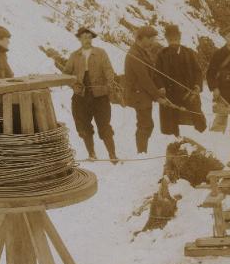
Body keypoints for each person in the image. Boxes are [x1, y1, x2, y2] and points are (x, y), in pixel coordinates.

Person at [62, 26, 117, 162]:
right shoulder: (74, 56)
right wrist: (74, 85)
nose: (87, 40)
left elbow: (108, 70)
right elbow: (66, 74)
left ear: (92, 39)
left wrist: (109, 84)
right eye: (84, 37)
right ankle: (91, 154)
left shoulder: (101, 53)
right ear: (79, 39)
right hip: (81, 97)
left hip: (100, 96)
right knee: (83, 125)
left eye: (89, 37)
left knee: (104, 125)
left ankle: (112, 155)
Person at [154, 24, 206, 136]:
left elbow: (198, 71)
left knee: (199, 121)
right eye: (171, 39)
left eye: (175, 38)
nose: (173, 42)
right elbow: (156, 74)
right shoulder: (161, 54)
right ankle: (174, 142)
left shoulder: (188, 53)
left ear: (180, 37)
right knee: (170, 127)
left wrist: (197, 86)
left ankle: (201, 138)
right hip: (169, 96)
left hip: (189, 93)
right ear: (167, 39)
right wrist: (161, 87)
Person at [125, 25, 168, 154]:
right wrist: (157, 97)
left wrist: (159, 88)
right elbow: (144, 79)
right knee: (145, 125)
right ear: (142, 38)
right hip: (139, 95)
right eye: (150, 39)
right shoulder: (134, 55)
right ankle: (141, 154)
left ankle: (142, 152)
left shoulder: (142, 52)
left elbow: (151, 74)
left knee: (146, 125)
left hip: (144, 94)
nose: (152, 42)